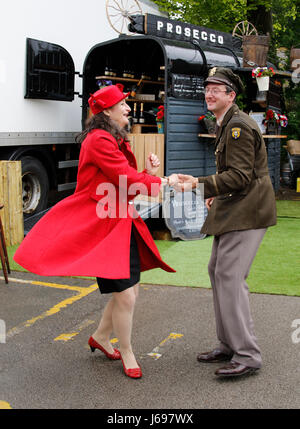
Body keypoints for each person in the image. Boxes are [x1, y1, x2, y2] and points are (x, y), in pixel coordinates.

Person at [14, 84, 175, 379]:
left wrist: (150, 176)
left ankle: (101, 337)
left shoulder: (109, 137)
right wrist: (163, 183)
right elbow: (124, 178)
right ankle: (126, 351)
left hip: (117, 221)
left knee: (129, 291)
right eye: (123, 105)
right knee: (126, 295)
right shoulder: (100, 140)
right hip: (102, 226)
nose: (128, 108)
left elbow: (123, 182)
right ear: (107, 112)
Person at [169, 67, 276, 378]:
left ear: (231, 95)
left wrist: (199, 184)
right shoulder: (227, 123)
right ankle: (228, 344)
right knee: (217, 270)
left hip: (249, 211)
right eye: (207, 88)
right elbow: (234, 174)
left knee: (230, 276)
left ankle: (248, 354)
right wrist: (212, 190)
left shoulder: (238, 126)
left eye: (217, 88)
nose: (209, 93)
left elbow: (241, 176)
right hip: (237, 206)